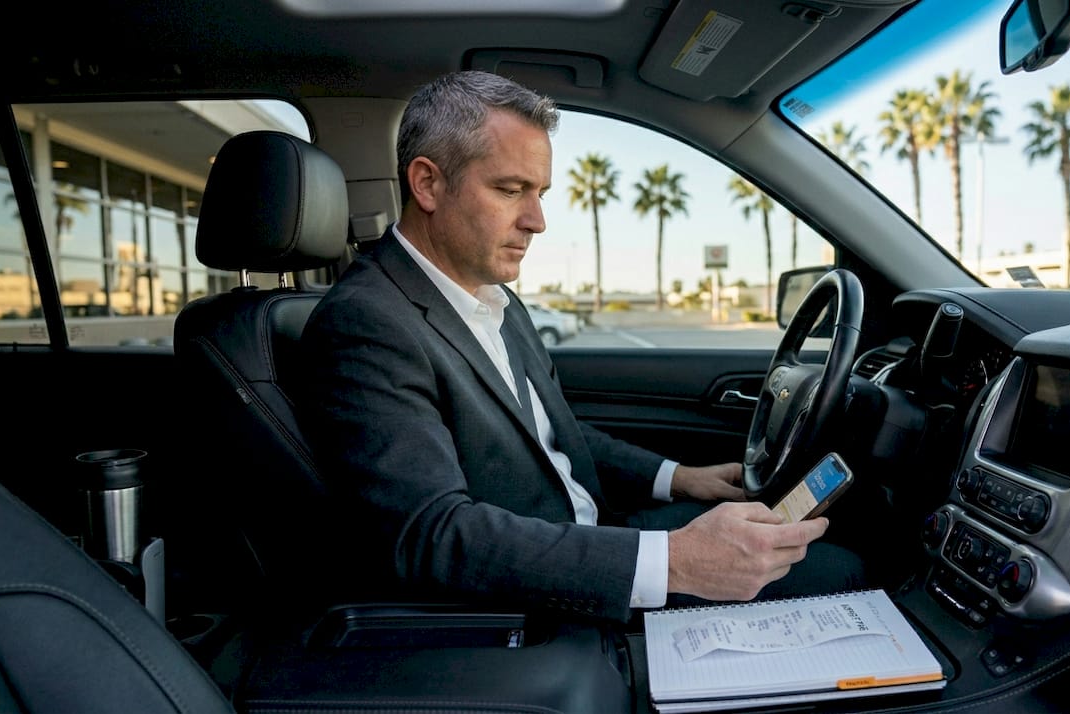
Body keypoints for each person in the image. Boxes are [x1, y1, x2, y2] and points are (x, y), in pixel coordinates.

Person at [298, 70, 866, 623]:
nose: (537, 221)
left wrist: (680, 477)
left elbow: (557, 432)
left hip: (601, 538)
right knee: (846, 572)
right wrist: (675, 563)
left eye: (540, 193)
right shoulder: (367, 322)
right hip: (548, 593)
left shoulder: (494, 297)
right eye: (510, 190)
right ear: (428, 183)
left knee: (812, 543)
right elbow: (430, 534)